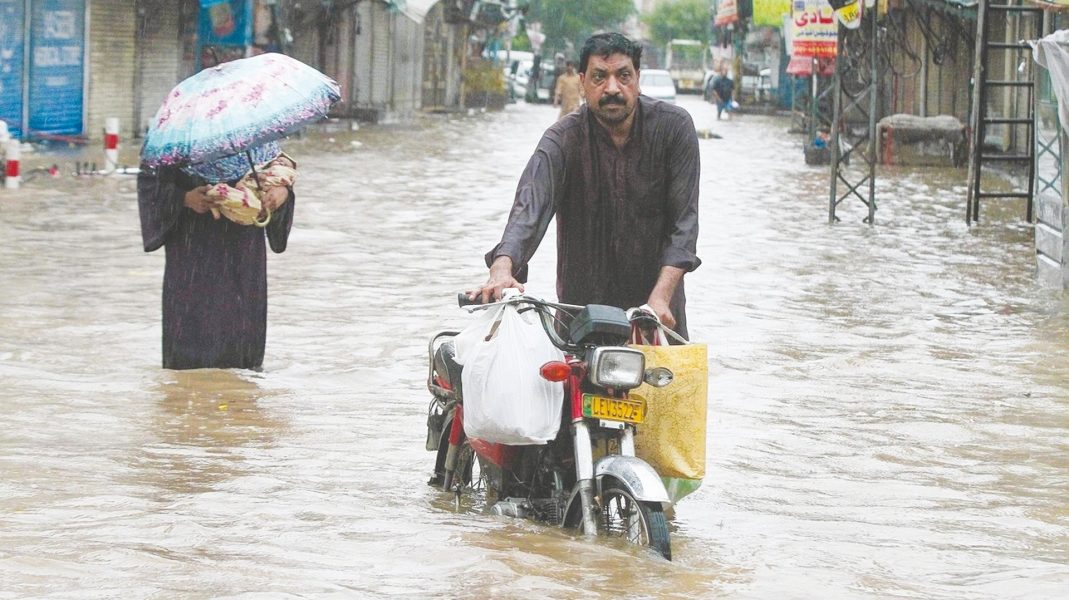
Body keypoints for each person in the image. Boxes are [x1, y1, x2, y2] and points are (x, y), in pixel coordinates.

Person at [471, 32, 701, 337]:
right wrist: (502, 268)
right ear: (582, 82)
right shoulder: (563, 139)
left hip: (657, 317)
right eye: (599, 77)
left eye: (623, 76)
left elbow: (684, 225)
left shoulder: (674, 128)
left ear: (637, 78)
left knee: (676, 368)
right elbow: (530, 206)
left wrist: (661, 297)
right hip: (581, 320)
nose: (612, 88)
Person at [137, 143, 296, 370]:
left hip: (244, 249)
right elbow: (149, 184)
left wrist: (281, 193)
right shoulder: (173, 144)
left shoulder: (254, 137)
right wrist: (185, 198)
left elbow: (279, 173)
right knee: (191, 339)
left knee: (242, 338)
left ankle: (242, 384)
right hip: (192, 249)